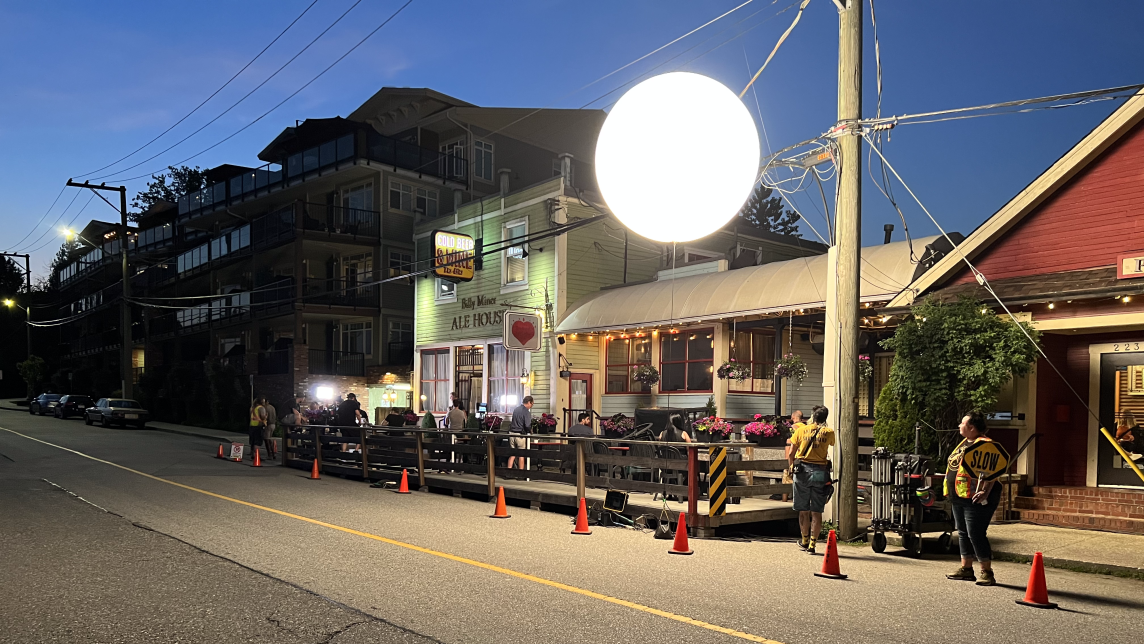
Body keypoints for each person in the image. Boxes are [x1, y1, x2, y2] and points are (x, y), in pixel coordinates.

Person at [945, 411, 1003, 586]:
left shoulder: (985, 444)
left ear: (971, 427)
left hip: (976, 497)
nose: (959, 426)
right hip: (960, 495)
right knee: (962, 532)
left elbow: (994, 470)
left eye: (962, 423)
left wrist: (985, 491)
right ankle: (966, 569)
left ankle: (987, 572)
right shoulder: (964, 443)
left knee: (975, 533)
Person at [788, 406, 835, 555]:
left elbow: (791, 453)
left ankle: (804, 540)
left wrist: (790, 467)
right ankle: (813, 544)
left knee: (803, 510)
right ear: (825, 418)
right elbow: (831, 444)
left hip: (802, 470)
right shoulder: (828, 432)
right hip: (821, 471)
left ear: (813, 417)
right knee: (816, 511)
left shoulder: (801, 430)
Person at [507, 396, 533, 470]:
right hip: (520, 435)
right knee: (521, 455)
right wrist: (530, 431)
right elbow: (527, 425)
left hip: (511, 433)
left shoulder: (516, 409)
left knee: (513, 454)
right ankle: (520, 473)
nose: (531, 406)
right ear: (529, 402)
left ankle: (508, 472)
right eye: (532, 404)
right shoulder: (526, 412)